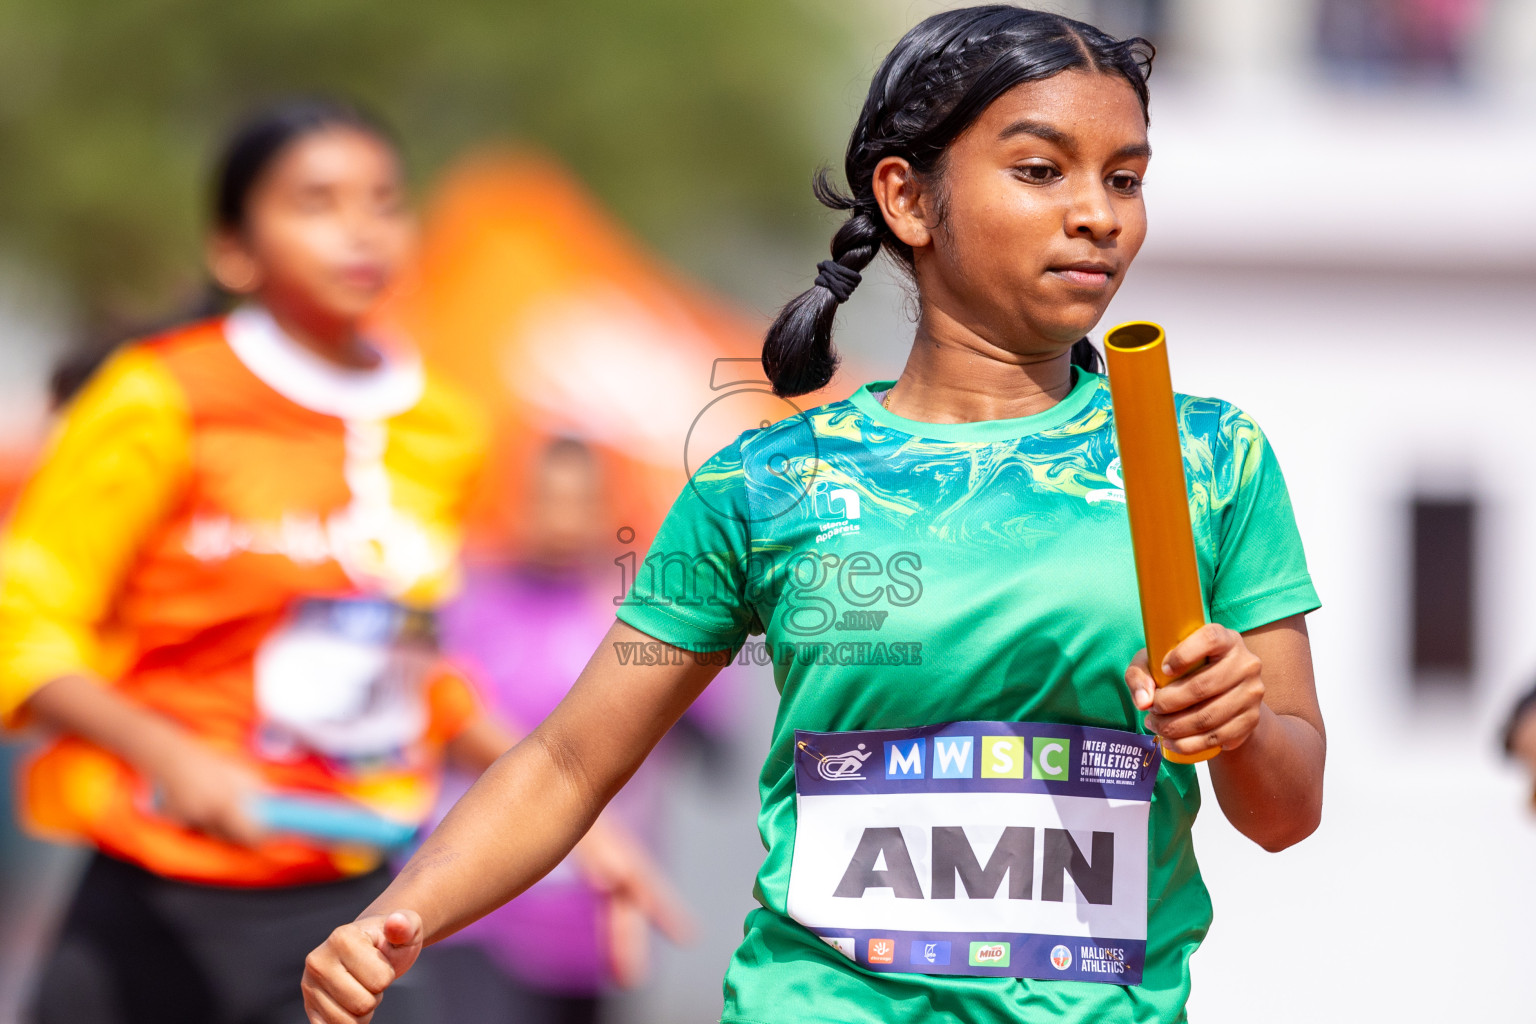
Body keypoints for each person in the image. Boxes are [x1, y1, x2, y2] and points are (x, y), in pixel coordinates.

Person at [301, 8, 1327, 1024]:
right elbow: (570, 760)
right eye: (1040, 169)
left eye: (1126, 177)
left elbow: (1286, 811)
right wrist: (396, 920)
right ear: (908, 199)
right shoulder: (768, 481)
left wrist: (1237, 724)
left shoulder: (1208, 461)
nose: (1098, 213)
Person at [0, 98, 661, 1024]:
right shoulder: (159, 399)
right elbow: (23, 622)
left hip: (345, 904)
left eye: (384, 201)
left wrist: (559, 812)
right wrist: (166, 753)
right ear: (235, 249)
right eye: (316, 202)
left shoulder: (440, 426)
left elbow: (413, 670)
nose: (360, 229)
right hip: (151, 900)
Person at [416, 438, 700, 1024]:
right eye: (548, 498)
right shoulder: (465, 600)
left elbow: (709, 729)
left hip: (584, 922)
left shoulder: (641, 614)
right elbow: (431, 713)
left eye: (581, 501)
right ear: (518, 501)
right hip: (469, 912)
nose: (563, 518)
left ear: (608, 506)